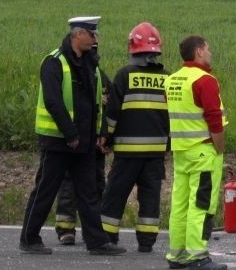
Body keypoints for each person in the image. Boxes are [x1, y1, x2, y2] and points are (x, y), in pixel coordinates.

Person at [19, 16, 126, 256]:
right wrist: (70, 134)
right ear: (78, 35)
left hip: (85, 143)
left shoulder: (91, 65)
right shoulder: (54, 62)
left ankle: (97, 243)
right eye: (92, 34)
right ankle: (29, 238)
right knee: (45, 189)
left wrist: (101, 134)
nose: (95, 39)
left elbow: (98, 102)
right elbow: (53, 102)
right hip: (58, 142)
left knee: (88, 193)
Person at [100, 22, 170, 253]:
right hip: (156, 153)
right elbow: (172, 118)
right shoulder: (167, 79)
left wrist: (106, 139)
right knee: (150, 198)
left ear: (133, 48)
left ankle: (108, 236)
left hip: (127, 153)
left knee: (115, 195)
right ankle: (147, 241)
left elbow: (112, 114)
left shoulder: (124, 75)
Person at [164, 35, 228, 270]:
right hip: (203, 151)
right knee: (201, 204)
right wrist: (219, 147)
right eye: (207, 48)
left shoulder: (172, 80)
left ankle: (177, 253)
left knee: (180, 204)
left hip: (180, 151)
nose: (210, 52)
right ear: (199, 51)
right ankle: (198, 255)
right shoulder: (205, 80)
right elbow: (214, 119)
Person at [55, 43, 110, 246]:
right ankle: (65, 228)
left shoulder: (100, 77)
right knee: (69, 184)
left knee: (95, 186)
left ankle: (94, 231)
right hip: (74, 141)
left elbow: (108, 110)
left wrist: (105, 135)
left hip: (94, 144)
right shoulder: (70, 74)